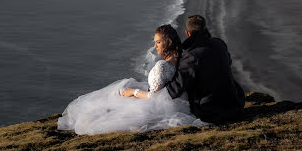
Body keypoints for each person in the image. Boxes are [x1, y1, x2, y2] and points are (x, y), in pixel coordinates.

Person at [57, 25, 206, 134]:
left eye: (158, 42)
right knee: (121, 90)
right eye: (155, 42)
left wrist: (131, 92)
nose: (155, 46)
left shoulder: (162, 66)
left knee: (110, 101)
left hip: (157, 104)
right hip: (178, 100)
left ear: (169, 42)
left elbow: (153, 96)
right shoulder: (180, 58)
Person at [165, 15, 245, 123]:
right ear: (205, 29)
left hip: (210, 111)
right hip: (236, 105)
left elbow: (175, 89)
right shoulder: (220, 44)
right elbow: (228, 63)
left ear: (187, 33)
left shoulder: (191, 54)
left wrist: (154, 92)